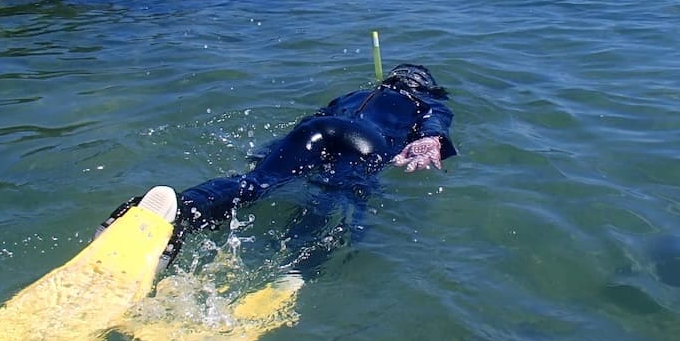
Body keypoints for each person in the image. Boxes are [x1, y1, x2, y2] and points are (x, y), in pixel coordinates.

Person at [102, 64, 457, 263]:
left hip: (318, 129)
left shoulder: (355, 94)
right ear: (425, 87)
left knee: (256, 182)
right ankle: (297, 264)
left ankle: (182, 212)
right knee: (336, 197)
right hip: (368, 143)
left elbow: (314, 119)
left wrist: (270, 154)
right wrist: (431, 141)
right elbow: (434, 125)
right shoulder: (425, 102)